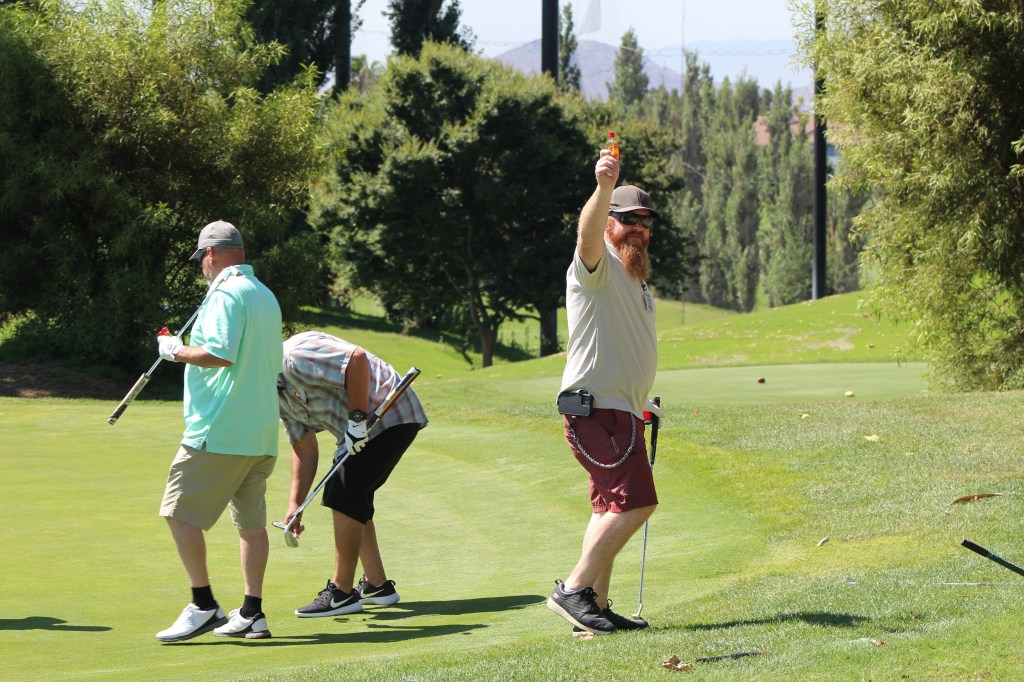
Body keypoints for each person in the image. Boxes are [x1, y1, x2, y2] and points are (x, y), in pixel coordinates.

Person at [546, 150, 663, 636]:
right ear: (610, 222)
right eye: (628, 219)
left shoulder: (636, 280)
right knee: (637, 502)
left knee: (608, 507)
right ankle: (572, 591)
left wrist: (640, 400)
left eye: (645, 221)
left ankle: (592, 609)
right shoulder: (597, 266)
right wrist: (602, 187)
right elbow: (585, 236)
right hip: (597, 410)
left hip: (620, 409)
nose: (638, 227)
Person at [154, 220, 283, 643]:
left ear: (210, 254)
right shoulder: (263, 294)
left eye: (201, 259)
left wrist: (175, 350)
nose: (202, 267)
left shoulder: (226, 295)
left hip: (220, 430)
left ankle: (203, 604)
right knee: (251, 525)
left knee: (177, 512)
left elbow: (219, 354)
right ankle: (252, 613)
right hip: (260, 433)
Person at [277, 331, 428, 618]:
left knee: (343, 491)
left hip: (388, 413)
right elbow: (303, 446)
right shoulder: (275, 394)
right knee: (351, 495)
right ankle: (377, 585)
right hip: (356, 435)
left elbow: (356, 360)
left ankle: (341, 593)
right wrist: (296, 504)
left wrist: (357, 422)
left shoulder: (295, 355)